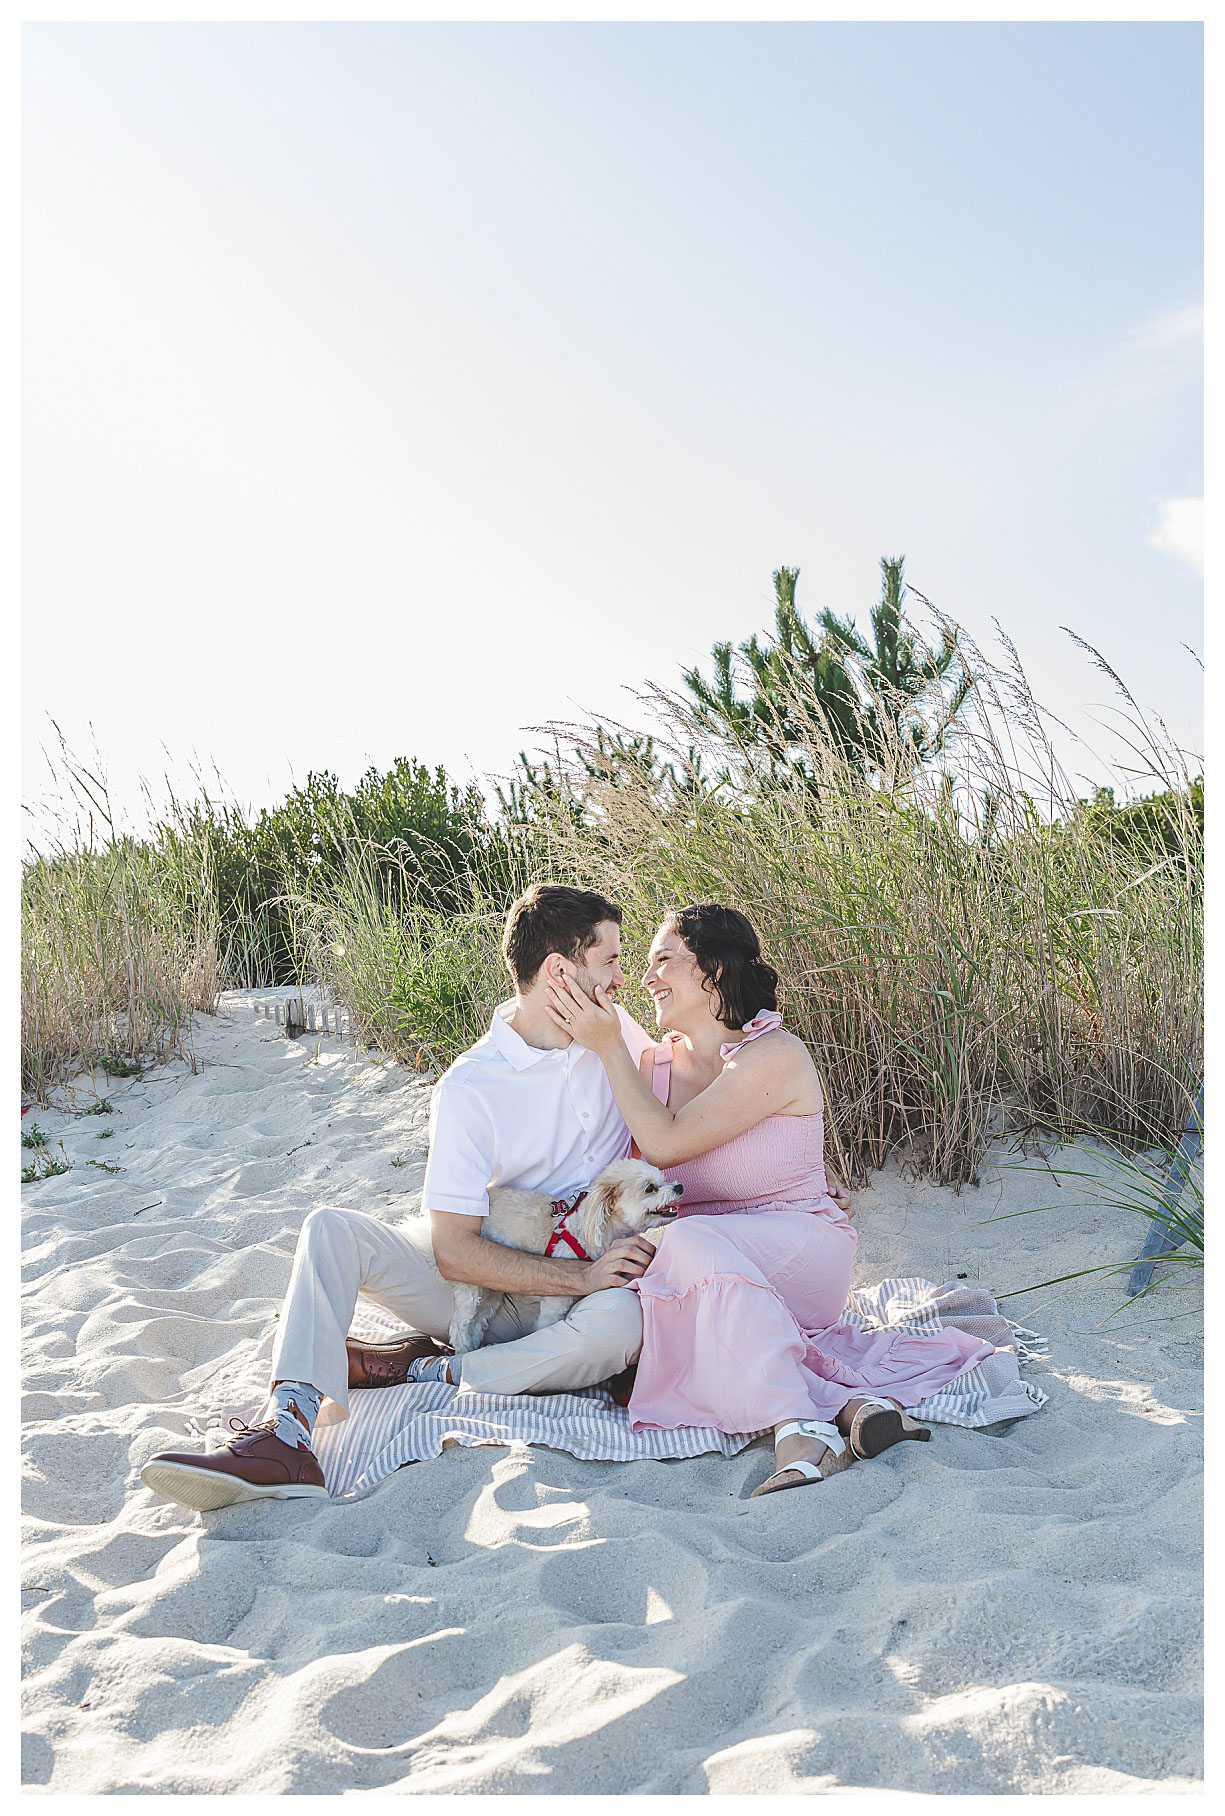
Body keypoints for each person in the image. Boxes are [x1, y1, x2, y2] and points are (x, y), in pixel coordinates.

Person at [141, 885, 682, 1511]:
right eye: (610, 961)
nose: (623, 978)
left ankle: (420, 1369)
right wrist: (580, 1276)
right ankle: (289, 1434)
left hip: (590, 1292)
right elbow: (454, 1253)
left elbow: (679, 1109)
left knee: (617, 1327)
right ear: (560, 973)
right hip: (488, 1287)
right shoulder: (471, 1087)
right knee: (330, 1229)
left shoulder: (617, 1034)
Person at [544, 902, 995, 1496]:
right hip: (708, 1266)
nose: (647, 979)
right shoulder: (648, 1070)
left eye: (664, 961)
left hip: (799, 1249)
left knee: (683, 1240)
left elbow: (667, 1143)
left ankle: (795, 1427)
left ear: (715, 972)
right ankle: (847, 1409)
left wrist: (607, 1049)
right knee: (681, 1254)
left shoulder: (775, 1055)